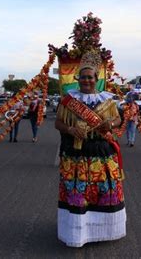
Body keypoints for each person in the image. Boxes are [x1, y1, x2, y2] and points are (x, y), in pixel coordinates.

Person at [55, 51, 125, 247]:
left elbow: (118, 119)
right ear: (78, 79)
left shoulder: (107, 100)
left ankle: (103, 230)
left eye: (90, 77)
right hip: (76, 152)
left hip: (100, 151)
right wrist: (70, 128)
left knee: (102, 189)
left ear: (96, 79)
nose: (86, 80)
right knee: (78, 191)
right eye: (83, 77)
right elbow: (58, 123)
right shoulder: (68, 100)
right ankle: (77, 231)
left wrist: (110, 125)